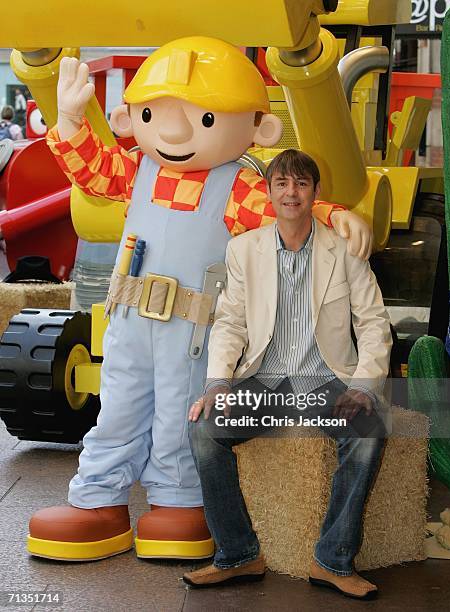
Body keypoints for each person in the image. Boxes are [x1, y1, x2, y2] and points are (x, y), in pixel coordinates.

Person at [28, 38, 373, 562]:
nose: (172, 131)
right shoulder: (138, 168)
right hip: (128, 320)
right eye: (152, 113)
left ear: (260, 128)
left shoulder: (237, 185)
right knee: (117, 408)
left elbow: (285, 210)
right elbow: (94, 173)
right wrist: (72, 122)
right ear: (130, 117)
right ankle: (98, 500)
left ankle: (180, 501)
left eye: (205, 118)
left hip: (194, 331)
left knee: (178, 414)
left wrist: (333, 215)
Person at [184, 149, 392, 600]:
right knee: (203, 429)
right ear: (270, 192)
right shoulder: (244, 249)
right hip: (265, 382)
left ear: (316, 193)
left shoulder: (345, 250)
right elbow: (231, 322)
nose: (291, 192)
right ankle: (238, 555)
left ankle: (332, 560)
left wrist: (361, 387)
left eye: (301, 184)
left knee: (369, 430)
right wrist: (218, 382)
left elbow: (374, 323)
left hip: (325, 381)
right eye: (282, 184)